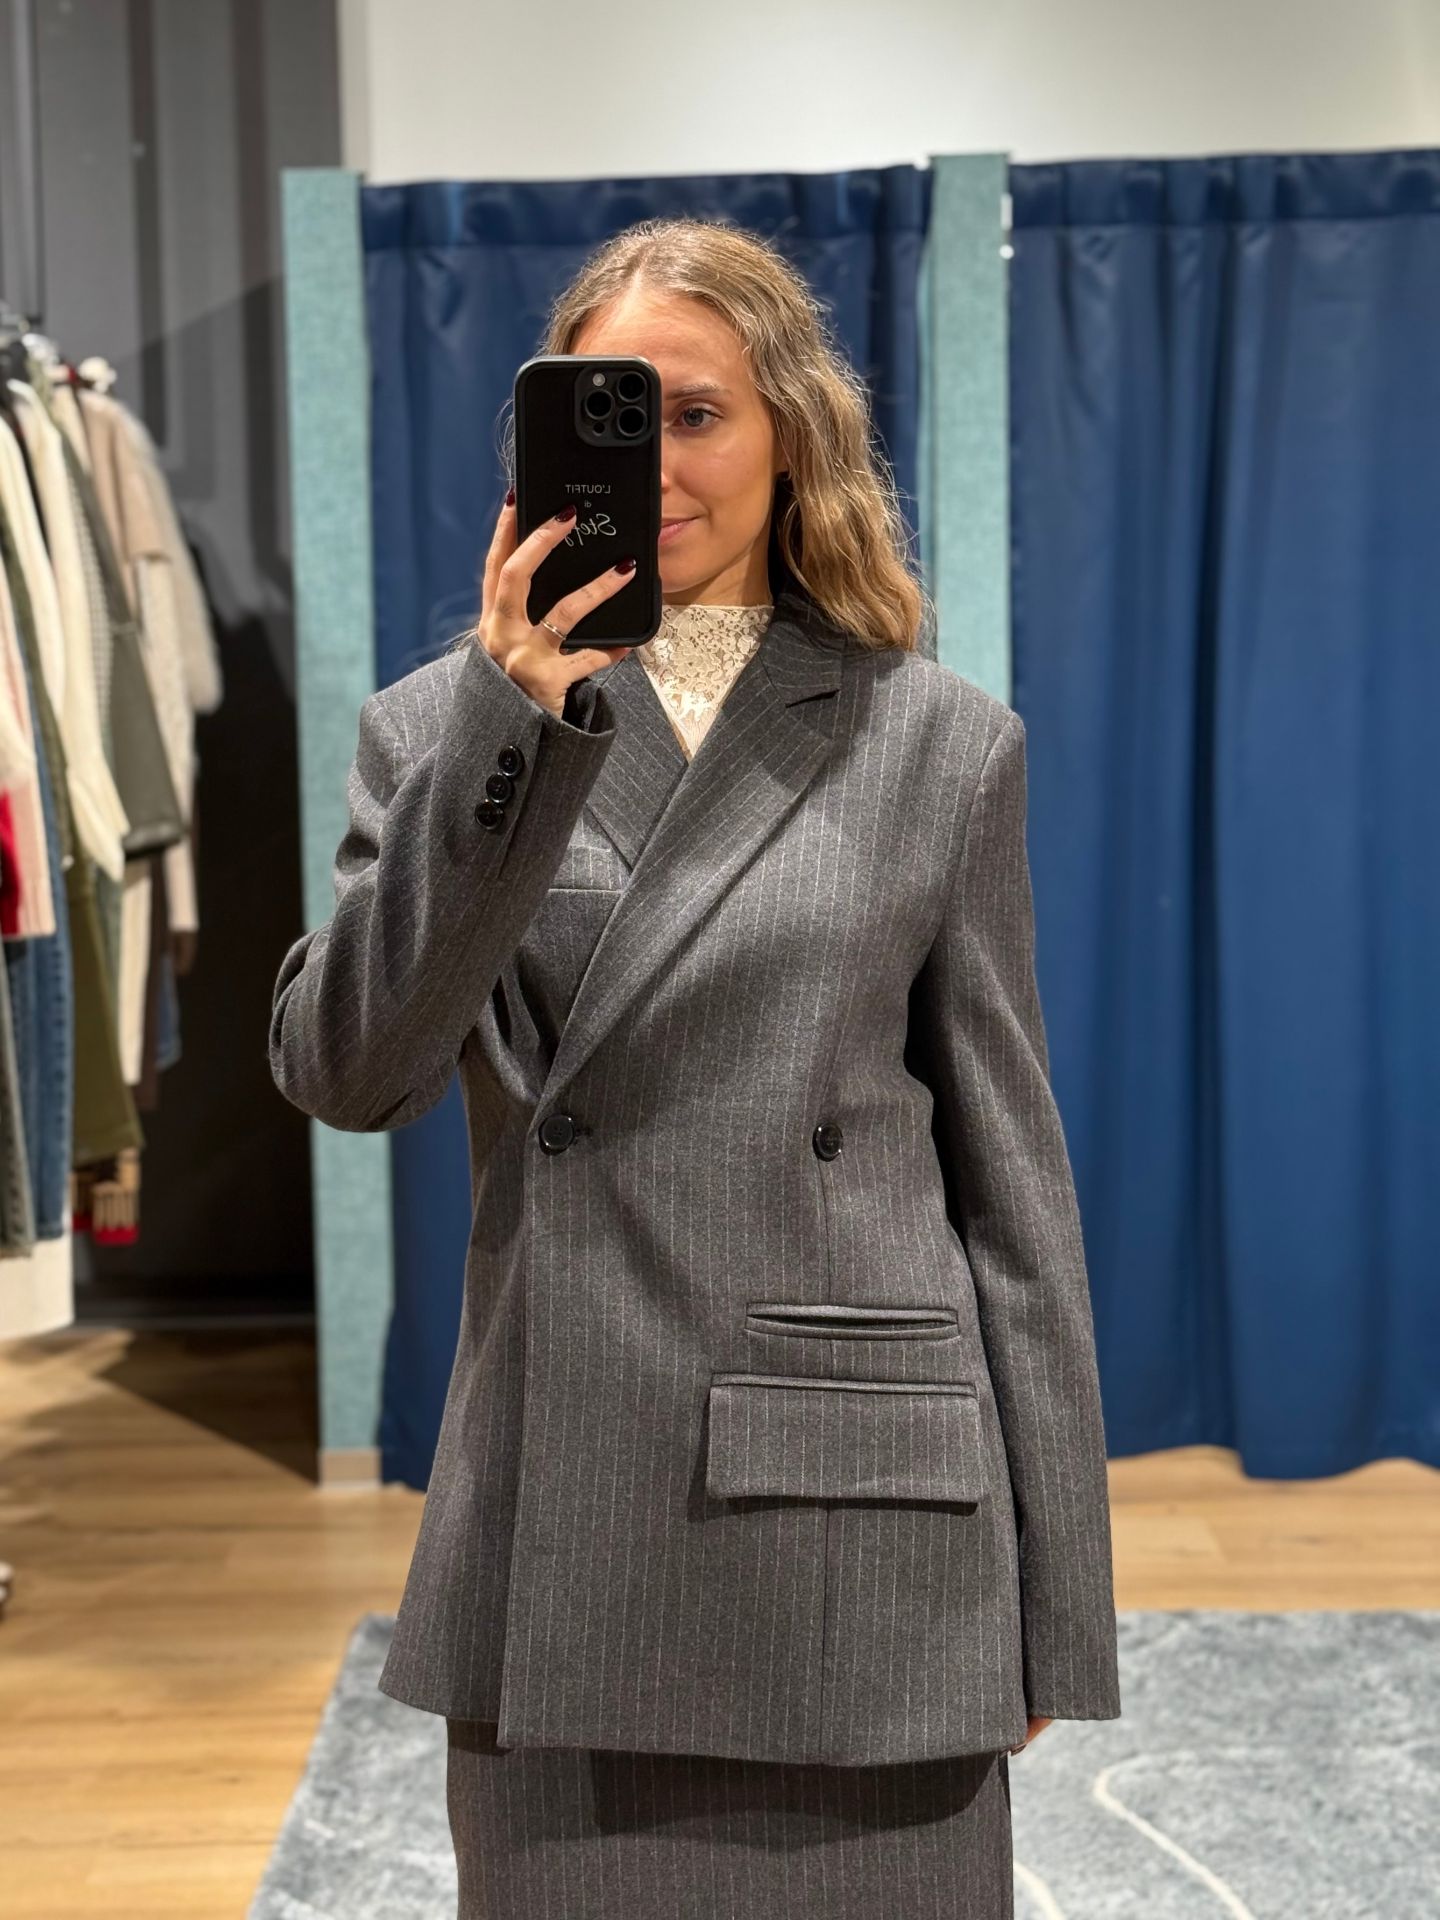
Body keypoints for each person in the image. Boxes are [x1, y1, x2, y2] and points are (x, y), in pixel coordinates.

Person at [269, 215, 1121, 1918]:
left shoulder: (938, 742)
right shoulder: (439, 732)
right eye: (608, 415)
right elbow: (350, 1072)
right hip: (575, 1502)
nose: (652, 464)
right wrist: (512, 727)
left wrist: (1058, 1602)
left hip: (859, 1505)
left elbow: (1012, 1195)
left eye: (700, 413)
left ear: (791, 432)